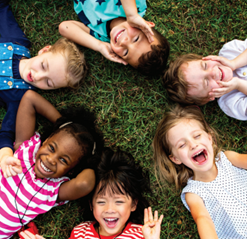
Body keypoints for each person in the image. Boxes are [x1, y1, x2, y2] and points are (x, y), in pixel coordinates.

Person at [0, 90, 104, 238]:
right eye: (52, 147)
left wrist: (91, 160)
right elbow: (30, 98)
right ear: (46, 140)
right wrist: (64, 124)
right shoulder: (26, 150)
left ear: (71, 171)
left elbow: (85, 183)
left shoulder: (53, 190)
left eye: (64, 160)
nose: (50, 159)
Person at [0, 0, 87, 158]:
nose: (37, 76)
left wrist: (5, 155)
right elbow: (2, 11)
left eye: (48, 83)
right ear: (45, 50)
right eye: (44, 66)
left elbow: (6, 133)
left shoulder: (19, 98)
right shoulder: (16, 41)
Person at [19, 148, 163, 239]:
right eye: (101, 201)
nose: (110, 209)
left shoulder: (141, 234)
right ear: (91, 204)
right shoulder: (80, 232)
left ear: (133, 204)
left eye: (119, 201)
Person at [153, 105, 247, 238]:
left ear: (209, 138)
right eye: (182, 145)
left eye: (197, 136)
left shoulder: (229, 159)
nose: (193, 145)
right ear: (175, 158)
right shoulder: (193, 193)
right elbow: (203, 219)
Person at [59, 0, 170, 76]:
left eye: (126, 52)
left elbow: (65, 27)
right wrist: (131, 15)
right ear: (146, 25)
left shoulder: (100, 36)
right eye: (136, 39)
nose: (123, 42)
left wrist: (99, 46)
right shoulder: (137, 7)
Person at [163, 39, 247, 121]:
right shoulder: (230, 102)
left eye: (205, 66)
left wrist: (235, 63)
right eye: (206, 82)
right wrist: (239, 85)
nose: (213, 73)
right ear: (209, 97)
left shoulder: (230, 51)